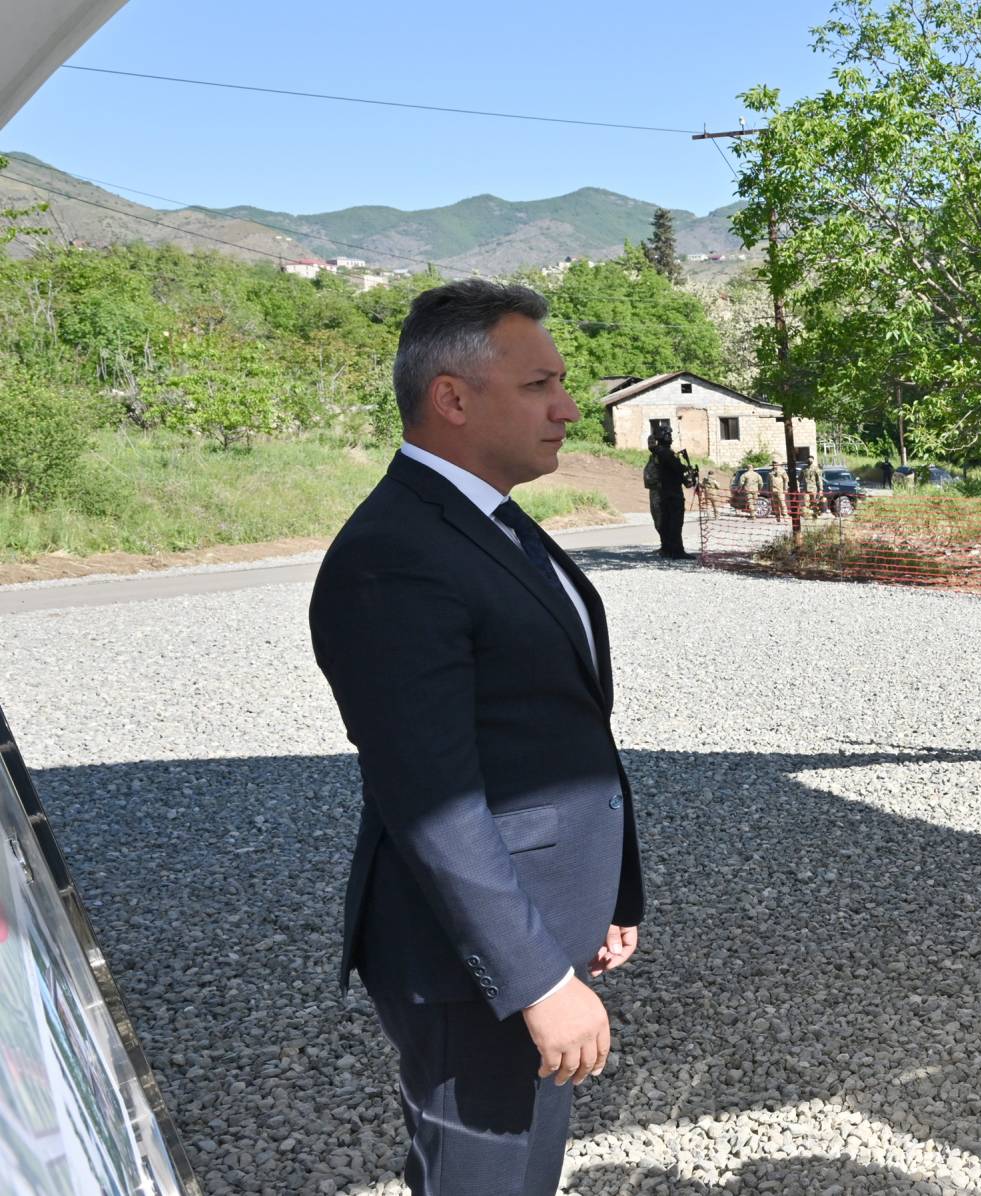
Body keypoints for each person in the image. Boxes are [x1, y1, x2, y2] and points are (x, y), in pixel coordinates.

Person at [310, 279, 646, 1196]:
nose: (569, 409)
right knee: (484, 1181)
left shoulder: (483, 520)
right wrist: (539, 981)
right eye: (541, 385)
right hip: (471, 964)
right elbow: (432, 798)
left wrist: (607, 892)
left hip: (530, 926)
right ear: (452, 398)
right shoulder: (397, 554)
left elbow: (549, 727)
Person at [644, 424, 692, 557]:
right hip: (671, 493)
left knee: (667, 522)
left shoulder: (660, 453)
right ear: (664, 437)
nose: (671, 437)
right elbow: (677, 469)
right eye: (668, 435)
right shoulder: (665, 453)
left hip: (666, 493)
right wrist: (686, 471)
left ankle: (667, 549)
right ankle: (676, 551)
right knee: (675, 522)